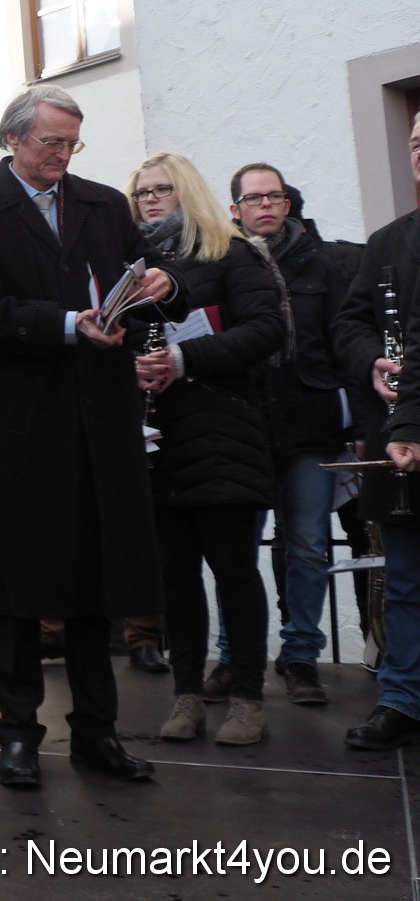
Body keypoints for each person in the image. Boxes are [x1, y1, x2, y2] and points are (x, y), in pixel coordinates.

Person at [0, 84, 181, 789]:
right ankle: (20, 732)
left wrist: (161, 286)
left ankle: (98, 732)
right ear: (13, 139)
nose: (63, 155)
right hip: (18, 425)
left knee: (94, 583)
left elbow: (144, 272)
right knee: (15, 587)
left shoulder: (104, 203)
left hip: (98, 420)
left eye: (72, 143)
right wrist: (61, 323)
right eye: (52, 142)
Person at [125, 153, 284, 745]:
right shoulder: (131, 269)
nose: (150, 199)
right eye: (142, 192)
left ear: (188, 192)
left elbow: (268, 328)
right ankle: (186, 696)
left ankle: (247, 699)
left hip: (223, 435)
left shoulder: (230, 252)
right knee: (175, 578)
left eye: (163, 189)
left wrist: (185, 359)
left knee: (235, 572)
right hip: (157, 441)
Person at [230, 162, 351, 706]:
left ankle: (301, 655)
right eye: (253, 199)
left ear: (288, 204)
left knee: (306, 545)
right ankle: (233, 657)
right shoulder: (222, 264)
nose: (265, 207)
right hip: (244, 425)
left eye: (273, 197)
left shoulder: (322, 265)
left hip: (309, 421)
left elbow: (346, 343)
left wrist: (363, 427)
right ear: (235, 210)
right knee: (234, 549)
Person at [342, 111, 420, 750]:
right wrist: (373, 358)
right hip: (403, 442)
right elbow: (348, 324)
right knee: (406, 581)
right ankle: (402, 700)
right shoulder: (388, 242)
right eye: (417, 144)